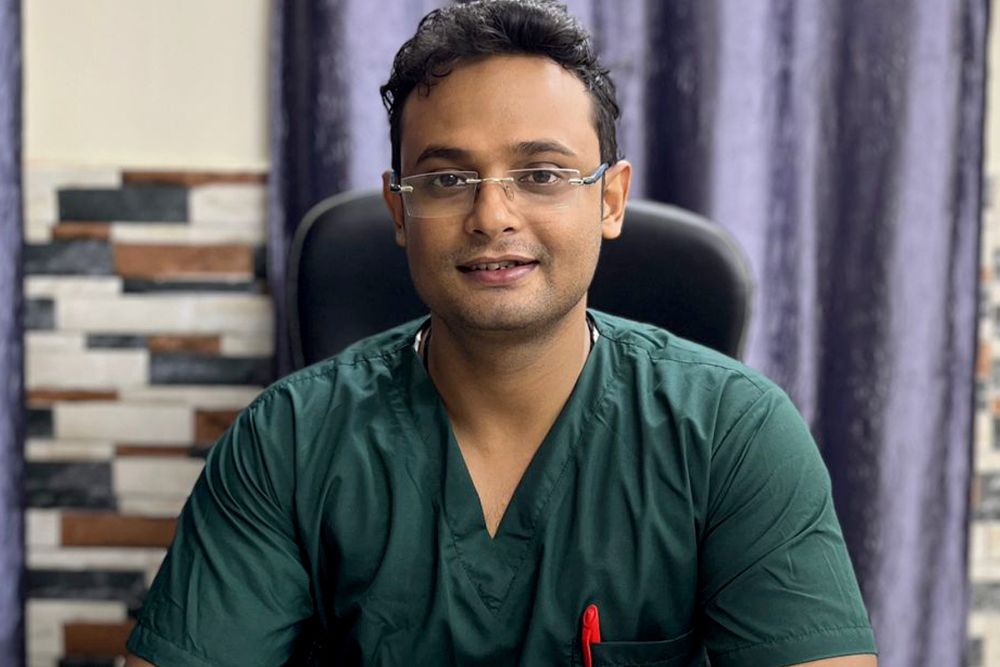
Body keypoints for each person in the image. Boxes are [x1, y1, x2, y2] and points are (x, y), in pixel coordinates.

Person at [125, 1, 878, 665]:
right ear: (399, 211)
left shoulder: (734, 433)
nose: (492, 216)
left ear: (610, 200)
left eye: (542, 174)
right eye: (447, 180)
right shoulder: (287, 441)